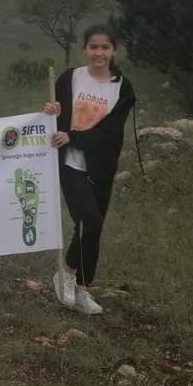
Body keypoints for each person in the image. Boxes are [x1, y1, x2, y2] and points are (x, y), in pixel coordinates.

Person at [43, 24, 137, 317]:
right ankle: (67, 272)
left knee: (92, 230)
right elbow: (58, 120)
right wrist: (50, 114)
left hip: (102, 165)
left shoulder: (122, 88)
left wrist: (75, 136)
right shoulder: (70, 78)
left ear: (114, 51)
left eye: (105, 47)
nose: (99, 52)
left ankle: (82, 289)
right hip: (70, 163)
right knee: (90, 221)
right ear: (85, 49)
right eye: (93, 47)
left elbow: (110, 132)